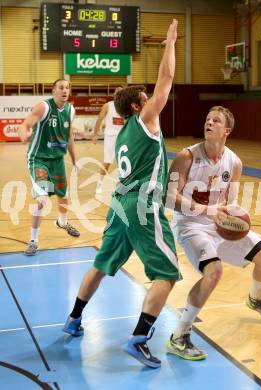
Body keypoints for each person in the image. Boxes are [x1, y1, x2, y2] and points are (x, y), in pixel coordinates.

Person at [63, 19, 180, 369]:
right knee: (168, 274)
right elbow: (167, 81)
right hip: (142, 205)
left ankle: (73, 319)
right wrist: (170, 42)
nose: (151, 100)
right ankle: (139, 338)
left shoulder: (126, 132)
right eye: (144, 98)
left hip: (120, 204)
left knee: (101, 264)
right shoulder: (145, 120)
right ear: (136, 107)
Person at [165, 105, 261, 360]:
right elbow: (169, 198)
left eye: (215, 121)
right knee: (214, 271)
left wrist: (233, 215)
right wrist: (209, 210)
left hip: (218, 225)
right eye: (207, 119)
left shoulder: (234, 162)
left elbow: (230, 202)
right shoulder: (186, 157)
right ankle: (179, 336)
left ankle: (255, 299)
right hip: (190, 225)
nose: (209, 123)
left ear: (226, 130)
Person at [19, 79, 80, 256]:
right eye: (61, 87)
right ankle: (33, 239)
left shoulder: (71, 110)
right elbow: (25, 125)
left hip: (58, 161)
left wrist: (75, 160)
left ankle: (62, 222)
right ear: (53, 91)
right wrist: (24, 135)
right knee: (42, 199)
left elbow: (69, 137)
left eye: (68, 87)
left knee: (64, 196)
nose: (65, 90)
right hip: (39, 159)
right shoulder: (43, 107)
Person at [92, 86, 125, 194]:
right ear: (114, 95)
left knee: (123, 163)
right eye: (117, 92)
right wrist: (96, 134)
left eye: (121, 92)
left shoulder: (126, 107)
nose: (118, 94)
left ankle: (122, 185)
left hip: (123, 137)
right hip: (110, 137)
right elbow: (99, 119)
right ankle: (100, 184)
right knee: (107, 162)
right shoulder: (108, 105)